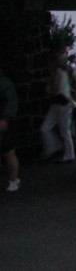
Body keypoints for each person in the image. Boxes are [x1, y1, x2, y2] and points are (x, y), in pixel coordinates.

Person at [40, 52, 76, 163]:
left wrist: (48, 89)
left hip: (62, 103)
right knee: (54, 129)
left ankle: (66, 153)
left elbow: (56, 90)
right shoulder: (62, 73)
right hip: (60, 103)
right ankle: (60, 149)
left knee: (62, 130)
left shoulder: (59, 73)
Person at [1, 62, 20, 192]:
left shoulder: (5, 84)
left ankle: (14, 179)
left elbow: (11, 103)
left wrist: (5, 118)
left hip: (3, 120)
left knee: (8, 151)